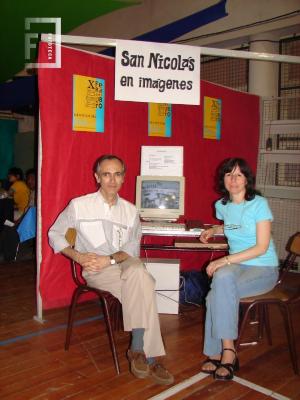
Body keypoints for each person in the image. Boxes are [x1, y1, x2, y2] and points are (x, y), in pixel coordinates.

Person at [48, 154, 174, 385]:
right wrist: (78, 256)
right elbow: (54, 234)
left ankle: (137, 348)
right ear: (97, 177)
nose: (112, 180)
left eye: (117, 174)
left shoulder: (130, 211)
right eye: (106, 174)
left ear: (124, 178)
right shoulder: (79, 205)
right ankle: (152, 356)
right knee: (145, 285)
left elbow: (132, 248)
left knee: (137, 272)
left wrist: (110, 260)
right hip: (96, 269)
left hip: (121, 263)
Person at [199, 157, 278, 381]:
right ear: (223, 179)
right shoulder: (221, 206)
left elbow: (261, 247)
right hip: (238, 266)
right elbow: (235, 223)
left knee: (218, 288)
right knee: (221, 283)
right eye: (228, 174)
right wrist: (216, 228)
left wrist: (225, 260)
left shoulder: (259, 204)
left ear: (247, 180)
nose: (233, 180)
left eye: (239, 175)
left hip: (263, 268)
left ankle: (224, 350)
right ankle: (226, 350)